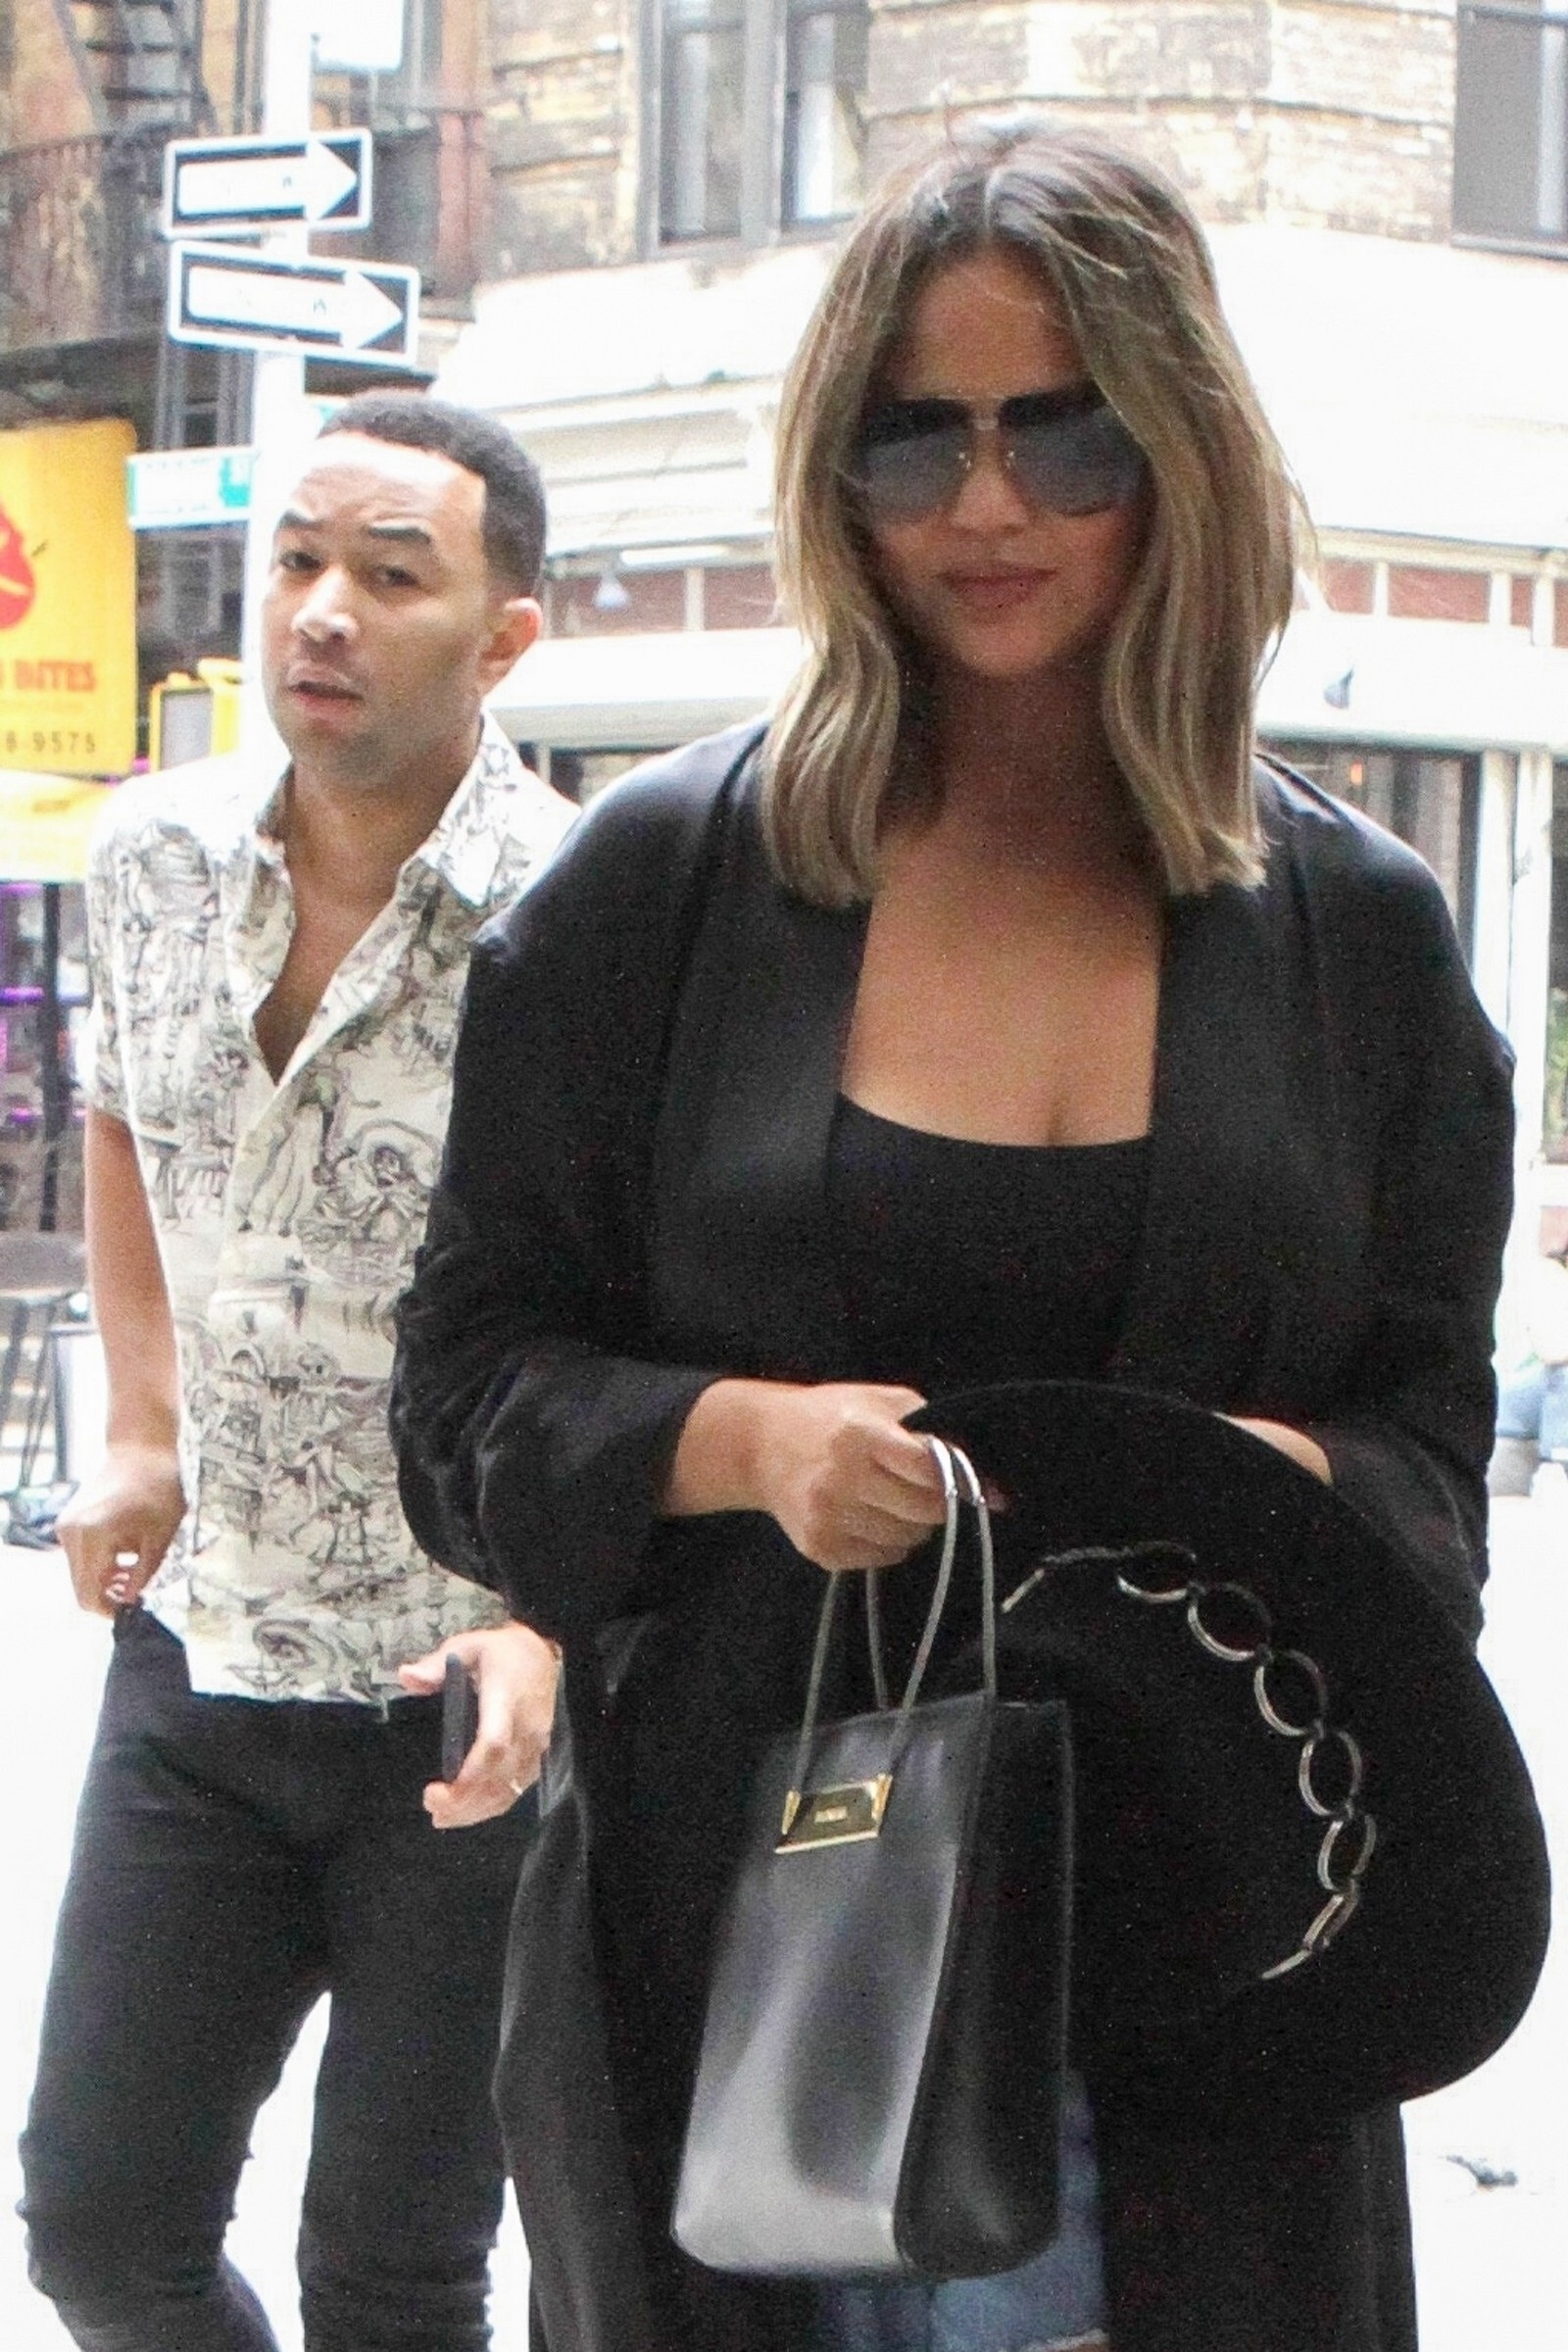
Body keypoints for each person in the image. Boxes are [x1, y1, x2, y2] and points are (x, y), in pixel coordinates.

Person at [391, 122, 1515, 2352]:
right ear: (839, 475)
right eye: (917, 439)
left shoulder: (1355, 943)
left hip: (1204, 1953)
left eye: (1064, 432)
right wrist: (744, 1444)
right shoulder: (658, 896)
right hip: (753, 1962)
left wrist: (1271, 1486)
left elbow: (1433, 1471)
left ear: (1179, 451)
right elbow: (461, 1404)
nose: (987, 506)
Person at [21, 394, 574, 2352]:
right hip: (201, 1650)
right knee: (99, 2233)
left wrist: (552, 1616)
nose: (324, 611)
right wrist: (140, 1430)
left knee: (395, 2276)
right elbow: (120, 1115)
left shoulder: (585, 910)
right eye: (298, 562)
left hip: (458, 1693)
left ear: (504, 637)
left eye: (392, 576)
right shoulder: (151, 854)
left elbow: (648, 1293)